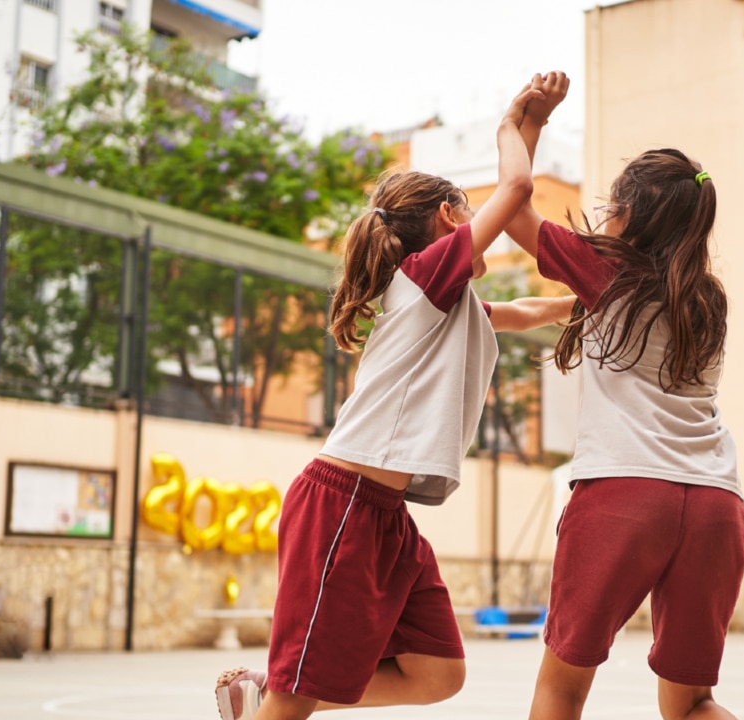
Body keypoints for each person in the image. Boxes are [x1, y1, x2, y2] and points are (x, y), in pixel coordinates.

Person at [214, 76, 575, 720]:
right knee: (294, 701)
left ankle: (267, 697)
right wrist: (518, 127)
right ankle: (275, 700)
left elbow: (527, 309)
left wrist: (615, 292)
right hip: (342, 504)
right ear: (447, 221)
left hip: (383, 514)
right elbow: (517, 190)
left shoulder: (450, 304)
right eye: (469, 210)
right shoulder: (424, 278)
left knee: (437, 673)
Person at [505, 71, 744, 720]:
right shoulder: (705, 298)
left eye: (609, 205)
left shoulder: (610, 271)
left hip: (624, 495)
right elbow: (555, 310)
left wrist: (521, 127)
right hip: (715, 504)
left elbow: (514, 211)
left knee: (562, 689)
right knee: (693, 703)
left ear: (627, 215)